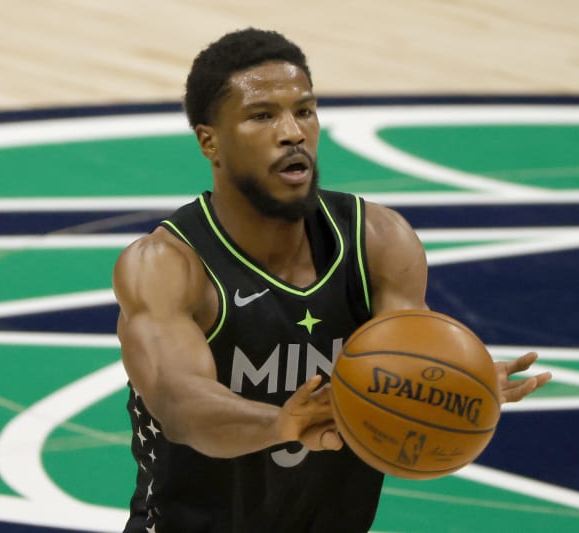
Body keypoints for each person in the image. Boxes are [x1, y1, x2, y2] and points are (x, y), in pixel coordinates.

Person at [113, 27, 552, 533]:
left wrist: (459, 381)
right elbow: (179, 405)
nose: (293, 132)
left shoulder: (378, 240)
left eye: (304, 110)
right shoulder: (167, 265)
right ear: (210, 141)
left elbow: (412, 352)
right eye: (263, 115)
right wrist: (280, 423)